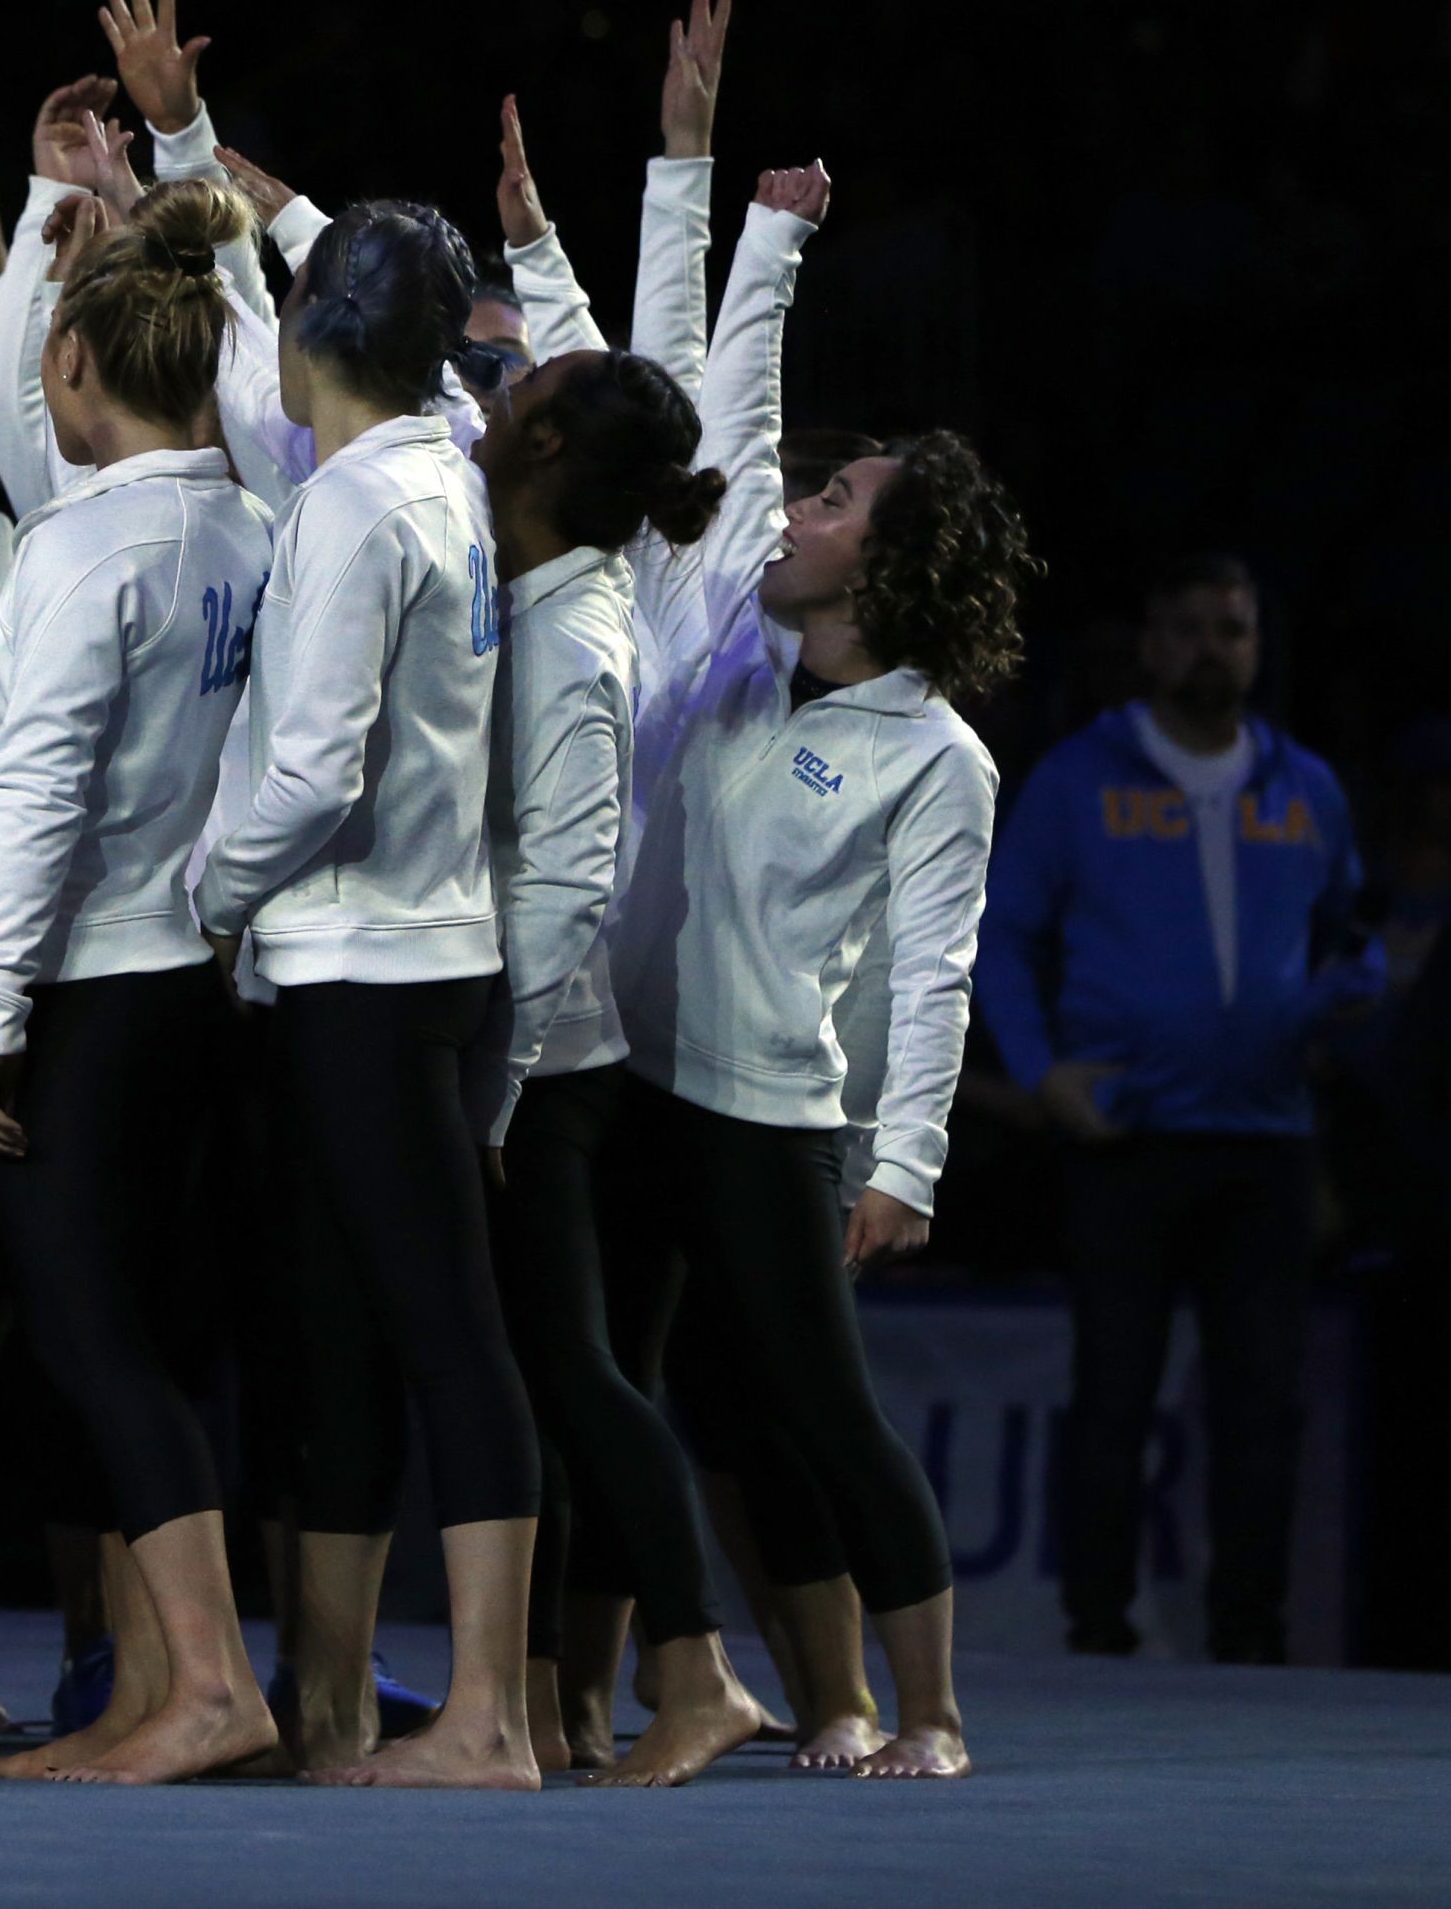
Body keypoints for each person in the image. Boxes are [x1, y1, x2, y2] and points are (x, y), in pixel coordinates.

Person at [612, 158, 1037, 1782]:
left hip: (774, 1113)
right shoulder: (726, 663)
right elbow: (705, 408)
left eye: (834, 502)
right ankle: (830, 1694)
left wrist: (903, 1161)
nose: (793, 512)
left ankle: (928, 1708)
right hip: (637, 1077)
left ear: (888, 562)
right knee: (709, 1408)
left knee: (818, 1406)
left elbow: (936, 973)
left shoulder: (935, 754)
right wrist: (730, 220)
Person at [192, 197, 541, 1793]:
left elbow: (317, 770)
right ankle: (330, 1710)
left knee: (448, 1338)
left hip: (365, 968)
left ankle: (488, 1717)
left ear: (317, 330)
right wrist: (244, 201)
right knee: (335, 1347)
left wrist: (204, 891)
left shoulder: (356, 509)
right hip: (403, 961)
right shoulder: (441, 468)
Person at [0, 181, 280, 1785]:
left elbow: (39, 791)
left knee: (93, 1340)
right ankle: (165, 1683)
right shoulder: (250, 520)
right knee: (143, 1330)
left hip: (86, 983)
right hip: (200, 981)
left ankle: (210, 1686)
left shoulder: (90, 553)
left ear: (73, 360)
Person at [466, 336, 773, 1788]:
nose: (497, 392)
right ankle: (555, 1700)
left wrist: (502, 1083)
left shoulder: (576, 634)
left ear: (541, 453)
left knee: (580, 1371)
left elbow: (573, 882)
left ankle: (698, 1670)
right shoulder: (541, 588)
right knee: (552, 1372)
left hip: (556, 1062)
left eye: (521, 395)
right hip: (549, 1052)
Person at [979, 551, 1378, 1663]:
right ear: (1151, 644)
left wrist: (1342, 996)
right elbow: (1001, 935)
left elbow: (1345, 928)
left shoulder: (1303, 787)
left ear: (1257, 647)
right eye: (1193, 627)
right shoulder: (1077, 779)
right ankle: (1096, 1631)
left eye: (1233, 629)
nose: (1214, 648)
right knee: (1112, 1399)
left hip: (1263, 1142)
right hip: (1124, 1136)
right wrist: (1039, 1068)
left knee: (1263, 1409)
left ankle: (1247, 1638)